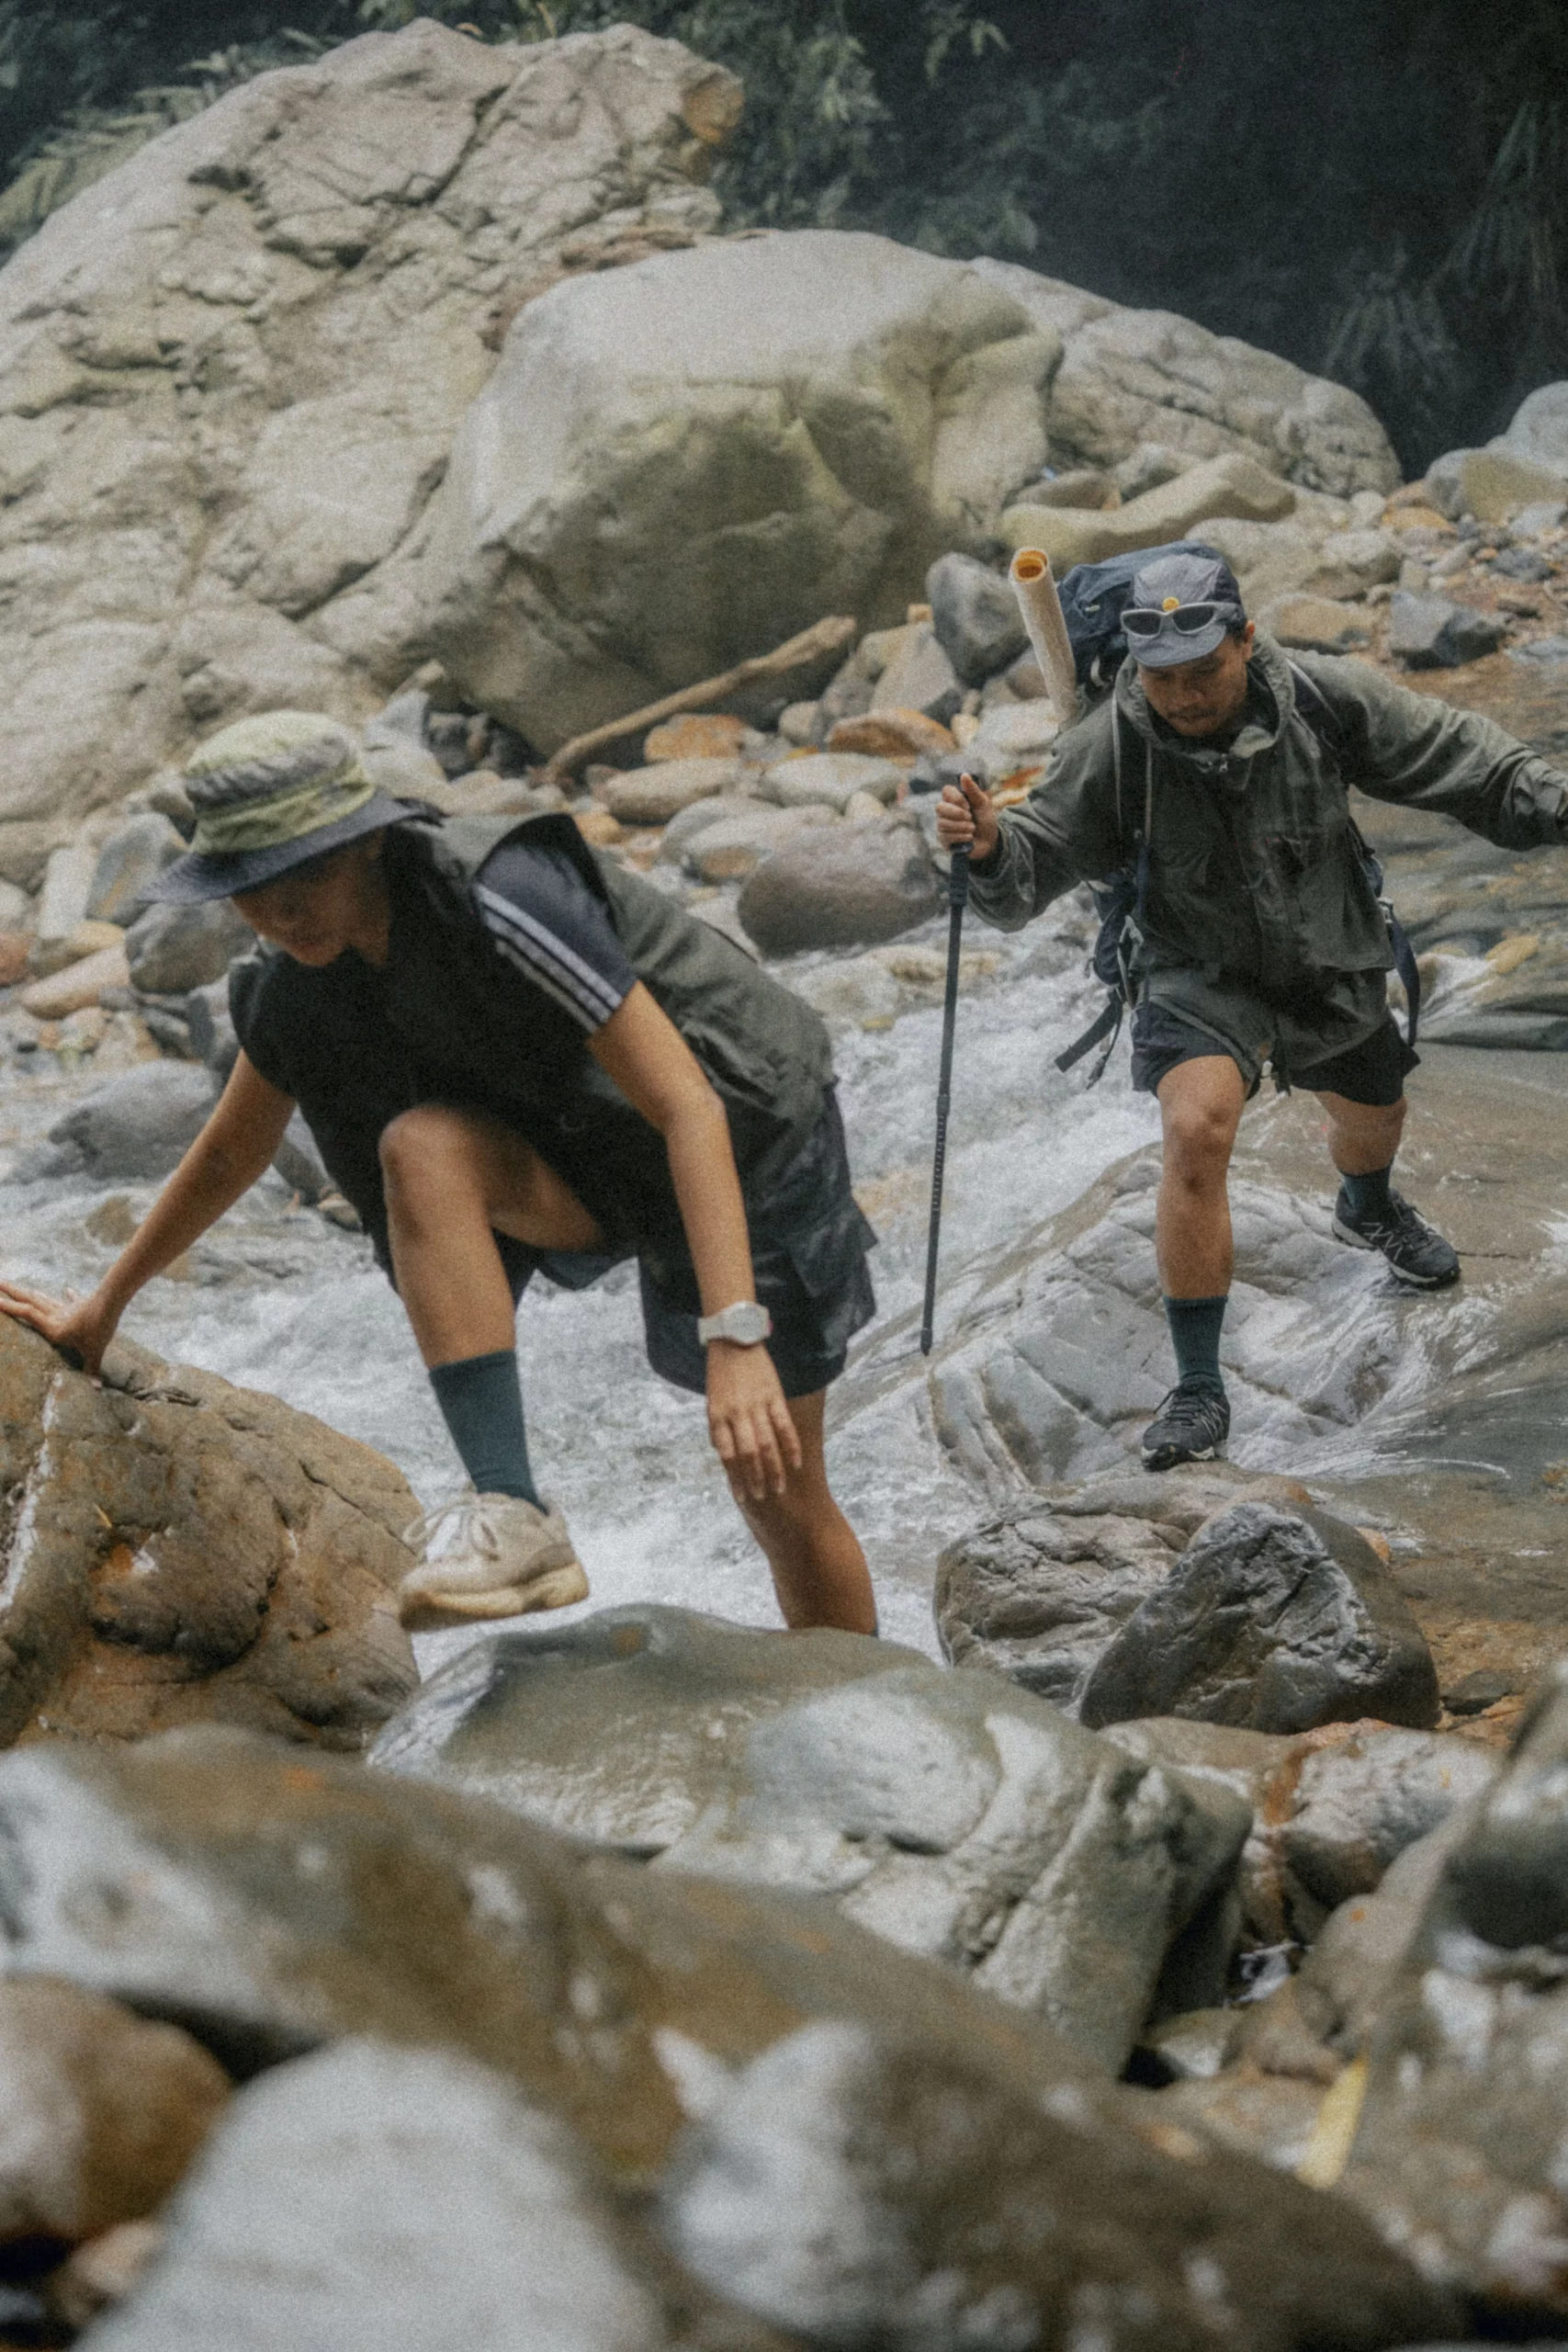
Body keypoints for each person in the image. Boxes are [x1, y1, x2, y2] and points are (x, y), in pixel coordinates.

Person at [0, 713, 878, 1635]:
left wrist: (735, 1336)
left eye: (306, 879)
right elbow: (232, 1150)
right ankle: (515, 1515)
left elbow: (687, 1107)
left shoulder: (503, 893)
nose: (283, 914)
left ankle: (868, 1699)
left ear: (369, 843)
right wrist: (105, 1307)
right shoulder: (296, 981)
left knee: (776, 1486)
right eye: (254, 889)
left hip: (743, 1128)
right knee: (419, 1149)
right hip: (587, 1146)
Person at [936, 547, 1568, 1472]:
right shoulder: (1112, 744)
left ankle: (1367, 1206)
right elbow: (1031, 863)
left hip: (1324, 948)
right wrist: (990, 847)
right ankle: (1198, 1388)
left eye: (1203, 671)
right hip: (1191, 965)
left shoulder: (1323, 698)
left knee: (1375, 1115)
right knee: (1196, 1129)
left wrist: (1555, 803)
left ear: (1246, 639)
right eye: (1162, 678)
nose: (1182, 696)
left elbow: (1463, 758)